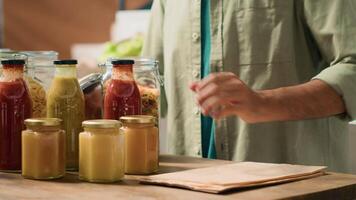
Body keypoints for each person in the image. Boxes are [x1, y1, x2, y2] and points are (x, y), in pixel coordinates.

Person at [142, 0, 356, 173]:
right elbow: (149, 83)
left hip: (296, 189)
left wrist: (264, 103)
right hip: (189, 187)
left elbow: (352, 68)